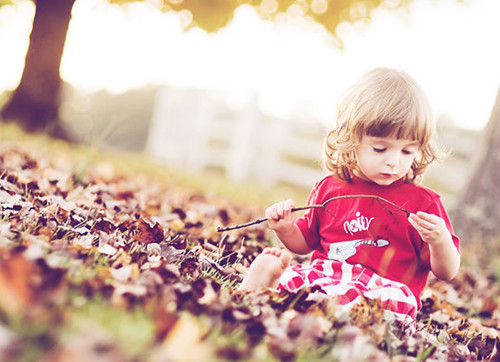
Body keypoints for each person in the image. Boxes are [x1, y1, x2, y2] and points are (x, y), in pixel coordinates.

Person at [239, 68, 460, 326]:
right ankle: (266, 290)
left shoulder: (423, 203)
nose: (393, 162)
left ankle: (298, 305)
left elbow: (447, 272)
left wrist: (440, 240)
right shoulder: (331, 189)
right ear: (352, 139)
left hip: (386, 290)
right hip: (329, 276)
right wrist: (286, 229)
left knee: (376, 302)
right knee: (306, 278)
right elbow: (304, 244)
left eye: (407, 151)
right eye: (380, 148)